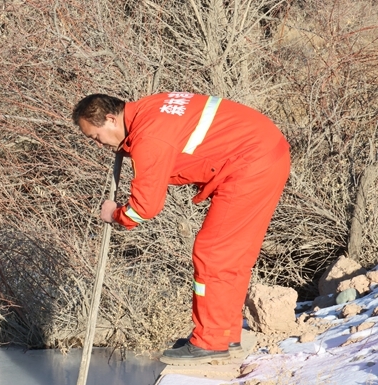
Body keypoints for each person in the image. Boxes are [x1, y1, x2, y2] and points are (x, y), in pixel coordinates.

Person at [72, 93, 290, 365]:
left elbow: (145, 208)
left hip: (250, 164)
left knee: (214, 253)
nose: (99, 144)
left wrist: (115, 214)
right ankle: (225, 334)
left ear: (110, 119)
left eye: (96, 137)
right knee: (230, 255)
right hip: (263, 153)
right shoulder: (149, 109)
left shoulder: (148, 136)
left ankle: (211, 342)